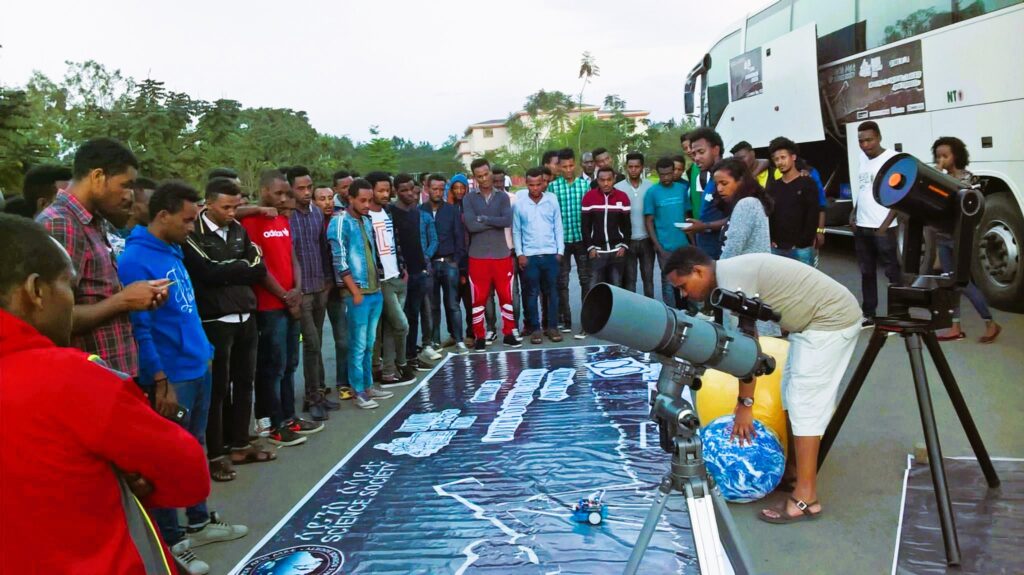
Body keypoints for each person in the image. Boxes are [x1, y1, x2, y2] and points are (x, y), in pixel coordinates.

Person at [0, 214, 211, 575]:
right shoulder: (70, 376)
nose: (72, 302)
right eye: (69, 287)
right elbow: (187, 470)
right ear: (35, 291)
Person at [663, 247, 862, 525]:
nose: (685, 295)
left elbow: (748, 351)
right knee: (790, 395)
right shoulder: (727, 277)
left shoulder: (732, 285)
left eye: (683, 287)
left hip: (830, 320)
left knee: (805, 403)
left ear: (699, 270)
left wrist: (745, 405)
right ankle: (794, 472)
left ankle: (807, 499)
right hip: (809, 325)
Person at [118, 182, 248, 570]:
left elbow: (184, 309)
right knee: (168, 457)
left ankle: (198, 519)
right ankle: (173, 540)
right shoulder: (135, 260)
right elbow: (141, 328)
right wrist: (159, 379)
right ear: (163, 216)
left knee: (193, 449)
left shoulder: (171, 249)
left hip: (197, 364)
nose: (193, 228)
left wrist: (205, 351)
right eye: (188, 220)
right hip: (172, 376)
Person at [36, 138, 169, 383]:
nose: (130, 196)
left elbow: (96, 294)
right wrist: (122, 301)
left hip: (114, 376)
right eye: (125, 185)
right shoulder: (60, 223)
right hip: (90, 382)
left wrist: (136, 298)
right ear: (98, 177)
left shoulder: (94, 221)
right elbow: (52, 319)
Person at [183, 177, 274, 481]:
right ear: (207, 204)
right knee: (218, 389)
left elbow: (258, 266)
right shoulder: (193, 233)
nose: (233, 212)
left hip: (245, 316)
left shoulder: (238, 229)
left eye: (236, 206)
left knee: (245, 382)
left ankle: (240, 442)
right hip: (215, 321)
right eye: (226, 207)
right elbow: (205, 272)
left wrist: (232, 270)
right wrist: (240, 268)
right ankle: (216, 452)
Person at [240, 170, 321, 447]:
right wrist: (285, 296)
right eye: (279, 194)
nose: (285, 198)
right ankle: (273, 424)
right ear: (263, 192)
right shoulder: (252, 221)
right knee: (272, 366)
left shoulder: (283, 219)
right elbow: (259, 267)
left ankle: (289, 417)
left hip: (291, 301)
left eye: (288, 193)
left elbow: (292, 256)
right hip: (269, 306)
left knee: (290, 363)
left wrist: (297, 290)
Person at [327, 179, 394, 409]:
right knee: (357, 344)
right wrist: (354, 291)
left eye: (369, 200)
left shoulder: (365, 220)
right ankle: (358, 390)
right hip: (357, 292)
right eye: (362, 200)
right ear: (351, 199)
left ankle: (367, 385)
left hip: (374, 290)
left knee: (369, 342)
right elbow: (339, 260)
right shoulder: (339, 222)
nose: (367, 205)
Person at [931, 136, 1001, 343]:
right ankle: (955, 326)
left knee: (963, 283)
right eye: (938, 156)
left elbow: (966, 204)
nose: (941, 159)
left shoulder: (970, 179)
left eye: (945, 155)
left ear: (956, 156)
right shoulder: (939, 178)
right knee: (949, 283)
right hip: (943, 237)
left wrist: (940, 175)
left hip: (961, 238)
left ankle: (990, 322)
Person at [286, 166, 337, 421]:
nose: (306, 193)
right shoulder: (286, 217)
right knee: (313, 344)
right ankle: (311, 396)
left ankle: (318, 391)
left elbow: (322, 248)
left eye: (309, 187)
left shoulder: (317, 213)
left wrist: (327, 280)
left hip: (320, 286)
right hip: (301, 290)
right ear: (291, 189)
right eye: (301, 188)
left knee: (315, 345)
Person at [463, 159, 519, 350]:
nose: (484, 179)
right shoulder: (469, 198)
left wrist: (484, 218)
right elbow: (470, 225)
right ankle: (479, 336)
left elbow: (506, 220)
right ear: (475, 178)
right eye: (479, 176)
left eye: (486, 174)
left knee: (506, 296)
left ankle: (509, 333)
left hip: (501, 253)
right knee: (478, 298)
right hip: (477, 256)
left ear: (490, 172)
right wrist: (494, 221)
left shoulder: (502, 197)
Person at [365, 172, 416, 385]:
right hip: (382, 280)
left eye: (388, 190)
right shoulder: (365, 216)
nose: (386, 194)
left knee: (390, 328)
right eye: (381, 191)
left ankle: (388, 372)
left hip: (397, 275)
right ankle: (401, 364)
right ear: (371, 191)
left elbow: (396, 243)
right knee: (401, 325)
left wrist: (402, 266)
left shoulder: (389, 212)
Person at [851, 121, 900, 326]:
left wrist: (885, 224)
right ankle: (869, 313)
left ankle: (898, 315)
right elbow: (863, 188)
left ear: (879, 137)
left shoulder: (892, 160)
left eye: (869, 140)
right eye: (861, 141)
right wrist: (854, 213)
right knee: (867, 271)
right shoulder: (862, 158)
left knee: (893, 273)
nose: (865, 145)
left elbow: (900, 196)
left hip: (883, 227)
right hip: (862, 225)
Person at [392, 173, 439, 370]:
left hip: (419, 271)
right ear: (396, 191)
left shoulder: (416, 212)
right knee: (401, 321)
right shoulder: (391, 213)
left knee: (414, 317)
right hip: (402, 274)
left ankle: (412, 356)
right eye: (404, 190)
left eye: (412, 188)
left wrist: (423, 267)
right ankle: (399, 360)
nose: (410, 193)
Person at [513, 167, 565, 345]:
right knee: (531, 293)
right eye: (531, 185)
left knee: (552, 293)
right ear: (526, 184)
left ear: (544, 183)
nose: (535, 188)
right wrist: (520, 254)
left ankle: (552, 327)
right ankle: (535, 329)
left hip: (551, 254)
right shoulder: (519, 203)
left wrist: (560, 251)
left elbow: (558, 225)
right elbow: (517, 230)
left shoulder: (552, 200)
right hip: (530, 256)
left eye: (538, 184)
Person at [422, 174, 469, 355]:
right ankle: (434, 341)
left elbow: (460, 238)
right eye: (435, 189)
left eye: (441, 189)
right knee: (432, 306)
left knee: (453, 304)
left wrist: (457, 262)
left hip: (450, 263)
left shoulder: (451, 210)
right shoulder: (420, 211)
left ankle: (459, 340)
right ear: (427, 189)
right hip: (430, 265)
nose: (438, 192)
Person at [549, 148, 592, 338]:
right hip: (561, 242)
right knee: (562, 282)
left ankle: (587, 320)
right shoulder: (553, 188)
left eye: (571, 165)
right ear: (558, 167)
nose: (568, 169)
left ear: (575, 164)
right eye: (564, 166)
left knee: (585, 280)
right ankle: (565, 320)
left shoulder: (585, 186)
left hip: (582, 240)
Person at [766, 137, 820, 266]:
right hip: (777, 249)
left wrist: (802, 243)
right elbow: (770, 214)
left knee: (805, 285)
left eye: (783, 157)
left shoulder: (808, 183)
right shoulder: (773, 186)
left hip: (801, 250)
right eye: (776, 159)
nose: (780, 162)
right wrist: (771, 239)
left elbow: (813, 215)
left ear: (793, 157)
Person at [644, 157, 691, 306]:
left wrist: (692, 242)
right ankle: (672, 314)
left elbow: (687, 217)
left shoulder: (681, 189)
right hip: (665, 247)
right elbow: (649, 222)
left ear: (674, 172)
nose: (666, 178)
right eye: (662, 174)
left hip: (683, 245)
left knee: (687, 279)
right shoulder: (652, 192)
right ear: (658, 173)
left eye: (669, 174)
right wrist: (658, 248)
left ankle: (689, 313)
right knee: (668, 282)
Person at [583, 166, 631, 289]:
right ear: (597, 181)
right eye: (602, 180)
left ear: (614, 179)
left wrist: (624, 245)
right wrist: (590, 247)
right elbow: (585, 226)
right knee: (594, 286)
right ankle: (596, 309)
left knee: (617, 286)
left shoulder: (622, 197)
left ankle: (617, 309)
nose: (606, 183)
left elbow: (627, 225)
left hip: (617, 251)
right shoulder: (589, 197)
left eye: (609, 179)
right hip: (597, 252)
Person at [714, 158, 772, 260]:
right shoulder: (749, 203)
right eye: (717, 184)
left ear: (740, 181)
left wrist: (719, 269)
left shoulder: (746, 204)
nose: (719, 189)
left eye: (724, 183)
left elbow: (733, 248)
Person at [615, 152, 656, 298]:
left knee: (648, 279)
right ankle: (633, 313)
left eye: (636, 167)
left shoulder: (651, 187)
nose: (633, 170)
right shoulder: (618, 188)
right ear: (626, 167)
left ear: (642, 168)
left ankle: (651, 311)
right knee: (630, 281)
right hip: (628, 241)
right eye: (630, 167)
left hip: (647, 240)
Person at [684, 127, 728, 260]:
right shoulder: (711, 178)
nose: (696, 158)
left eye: (701, 152)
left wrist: (704, 226)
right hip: (707, 254)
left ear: (715, 150)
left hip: (722, 257)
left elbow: (737, 218)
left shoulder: (727, 179)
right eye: (694, 154)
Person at [447, 173, 474, 344]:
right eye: (455, 188)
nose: (459, 191)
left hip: (470, 256)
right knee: (451, 301)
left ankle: (471, 333)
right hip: (452, 258)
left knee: (469, 300)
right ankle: (454, 335)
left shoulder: (470, 206)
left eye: (462, 188)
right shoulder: (447, 207)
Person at [681, 132, 702, 219]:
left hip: (709, 222)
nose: (689, 150)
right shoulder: (690, 171)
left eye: (690, 146)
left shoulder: (706, 166)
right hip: (696, 221)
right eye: (685, 148)